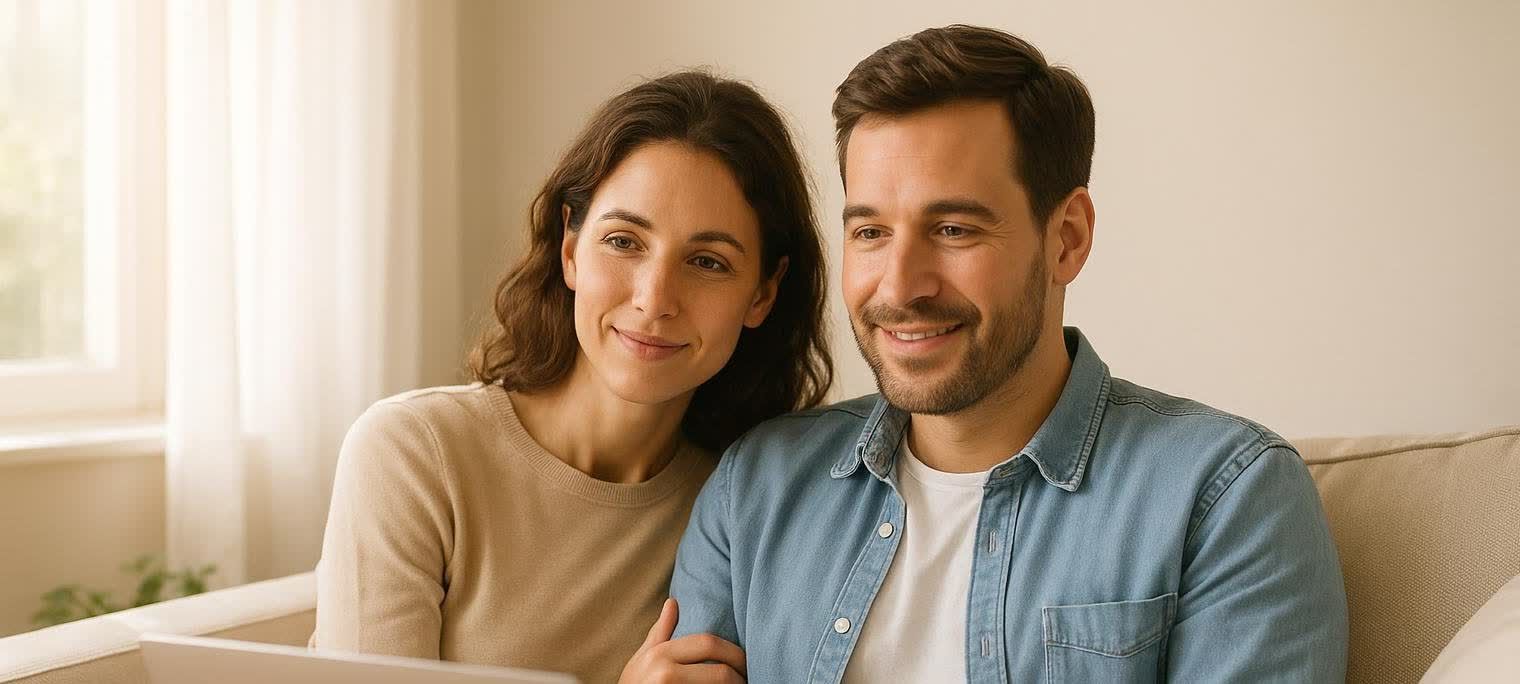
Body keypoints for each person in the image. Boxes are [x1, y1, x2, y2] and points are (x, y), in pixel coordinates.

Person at [646, 25, 1348, 682]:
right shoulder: (756, 490)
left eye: (953, 228)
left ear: (1066, 238)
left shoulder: (1225, 498)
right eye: (870, 232)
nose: (900, 286)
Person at [313, 70, 832, 684]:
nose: (654, 298)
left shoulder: (745, 506)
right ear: (570, 250)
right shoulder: (412, 454)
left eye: (707, 262)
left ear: (762, 295)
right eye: (623, 241)